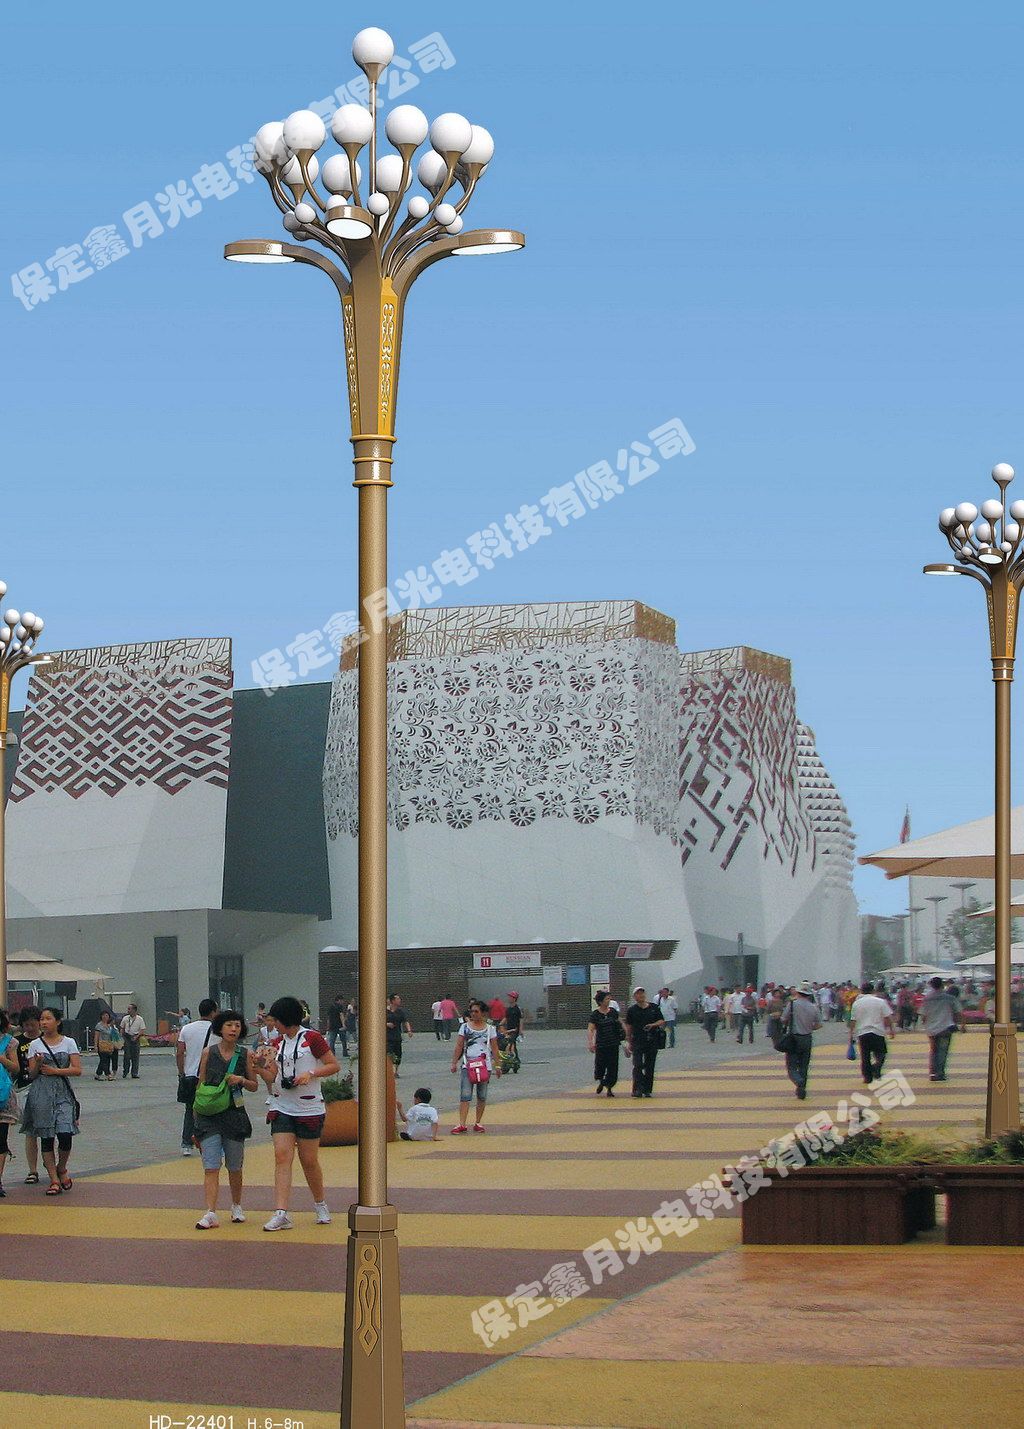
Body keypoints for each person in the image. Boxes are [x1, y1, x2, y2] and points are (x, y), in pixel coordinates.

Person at [257, 995, 339, 1231]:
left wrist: (310, 1074)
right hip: (281, 1105)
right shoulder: (276, 1044)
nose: (274, 1026)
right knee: (282, 1156)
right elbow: (272, 1076)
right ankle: (281, 1212)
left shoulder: (312, 1038)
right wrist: (260, 1068)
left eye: (276, 1021)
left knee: (309, 1160)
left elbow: (333, 1065)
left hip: (309, 1107)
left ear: (286, 1019)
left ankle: (320, 1203)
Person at [192, 1010, 260, 1229]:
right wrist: (195, 1117)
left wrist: (241, 1080)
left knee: (234, 1165)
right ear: (220, 1028)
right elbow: (200, 1084)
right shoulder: (208, 1052)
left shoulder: (245, 1054)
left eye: (237, 1026)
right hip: (208, 1116)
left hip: (234, 1115)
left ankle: (236, 1205)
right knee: (211, 1165)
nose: (233, 1029)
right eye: (229, 1025)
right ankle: (210, 1212)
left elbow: (254, 1085)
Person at [21, 1007, 82, 1195]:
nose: (44, 1022)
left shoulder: (69, 1042)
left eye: (48, 1019)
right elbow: (31, 1074)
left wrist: (56, 1071)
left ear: (58, 1022)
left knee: (65, 1133)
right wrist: (38, 1064)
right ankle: (54, 1179)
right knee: (46, 1136)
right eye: (42, 1019)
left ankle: (61, 1167)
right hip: (41, 1093)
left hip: (63, 1092)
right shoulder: (35, 1045)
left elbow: (77, 1069)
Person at [450, 999, 501, 1133]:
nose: (473, 1014)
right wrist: (454, 1062)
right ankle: (462, 1123)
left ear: (483, 1013)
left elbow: (495, 1048)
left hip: (485, 1065)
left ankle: (478, 1122)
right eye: (471, 1011)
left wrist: (498, 1065)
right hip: (468, 1065)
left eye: (476, 1011)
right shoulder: (465, 1027)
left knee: (482, 1095)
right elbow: (459, 1045)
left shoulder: (490, 1029)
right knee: (465, 1094)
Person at [176, 998, 219, 1156]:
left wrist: (181, 1072)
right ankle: (210, 1142)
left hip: (190, 1075)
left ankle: (186, 1144)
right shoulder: (217, 1030)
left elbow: (180, 1053)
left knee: (190, 1110)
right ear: (213, 1012)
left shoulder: (186, 1029)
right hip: (210, 1076)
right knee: (212, 1110)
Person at [780, 982, 821, 1100]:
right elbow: (818, 1024)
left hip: (794, 1038)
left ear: (798, 992)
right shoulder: (814, 1007)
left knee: (791, 1066)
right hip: (807, 1038)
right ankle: (802, 1090)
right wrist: (809, 1027)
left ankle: (798, 1080)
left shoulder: (792, 1004)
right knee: (804, 1065)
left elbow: (783, 1019)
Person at [850, 981, 896, 1085]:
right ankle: (876, 1068)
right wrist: (891, 1030)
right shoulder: (880, 1001)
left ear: (861, 991)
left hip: (862, 1032)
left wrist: (851, 1034)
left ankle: (867, 1077)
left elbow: (853, 1020)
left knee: (865, 1056)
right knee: (881, 1054)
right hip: (877, 1031)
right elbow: (887, 1017)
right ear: (873, 990)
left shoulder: (857, 1003)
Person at [15, 1007, 42, 1183]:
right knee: (30, 1131)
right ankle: (32, 1170)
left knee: (48, 1130)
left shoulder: (46, 1040)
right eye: (26, 1025)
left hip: (45, 1086)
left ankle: (51, 1165)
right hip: (25, 1088)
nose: (30, 1028)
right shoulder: (17, 1042)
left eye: (33, 1024)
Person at [625, 987, 666, 1098]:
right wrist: (628, 1041)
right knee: (637, 1065)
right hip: (637, 1040)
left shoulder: (654, 1007)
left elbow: (661, 1020)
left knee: (650, 1066)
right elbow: (629, 1026)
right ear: (634, 997)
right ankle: (637, 1089)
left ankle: (647, 1089)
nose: (641, 995)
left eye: (642, 993)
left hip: (652, 1040)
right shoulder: (632, 1010)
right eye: (638, 994)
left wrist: (653, 1025)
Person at [921, 976, 964, 1082]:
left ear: (931, 985)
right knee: (942, 1051)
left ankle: (932, 1073)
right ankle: (940, 1073)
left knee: (933, 1050)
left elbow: (923, 1015)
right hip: (946, 1027)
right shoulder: (950, 998)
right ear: (942, 985)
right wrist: (962, 1025)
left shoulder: (927, 999)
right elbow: (958, 1012)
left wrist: (925, 1025)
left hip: (931, 1029)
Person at [0, 1011, 21, 1195]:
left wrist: (1, 1057)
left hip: (3, 1098)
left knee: (0, 1139)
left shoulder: (9, 1042)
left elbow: (15, 1068)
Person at [588, 991, 625, 1095]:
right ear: (600, 1001)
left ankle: (609, 1087)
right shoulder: (595, 1014)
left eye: (609, 998)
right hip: (601, 1044)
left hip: (613, 1043)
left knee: (613, 1067)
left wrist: (625, 1037)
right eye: (607, 999)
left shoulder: (613, 1012)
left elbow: (621, 1024)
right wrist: (591, 1042)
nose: (609, 1001)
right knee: (600, 1065)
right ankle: (601, 1081)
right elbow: (590, 1029)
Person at [386, 994, 412, 1076]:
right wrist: (386, 1024)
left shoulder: (400, 1011)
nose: (399, 1000)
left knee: (398, 1054)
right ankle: (390, 1071)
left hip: (397, 1036)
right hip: (387, 1037)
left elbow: (406, 1021)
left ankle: (396, 1071)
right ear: (392, 1001)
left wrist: (409, 1030)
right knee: (389, 1054)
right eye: (398, 999)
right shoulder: (385, 1011)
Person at [93, 1008, 122, 1080]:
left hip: (110, 1045)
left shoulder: (110, 1025)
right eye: (103, 1015)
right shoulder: (99, 1025)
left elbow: (115, 1035)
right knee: (104, 1060)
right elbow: (96, 1036)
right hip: (102, 1044)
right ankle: (108, 1074)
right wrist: (95, 1045)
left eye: (106, 1015)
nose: (105, 1017)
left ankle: (98, 1074)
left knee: (104, 1060)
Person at [119, 1004, 146, 1079]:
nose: (128, 1010)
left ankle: (134, 1073)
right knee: (127, 1055)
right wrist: (121, 1036)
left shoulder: (140, 1019)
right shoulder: (125, 1018)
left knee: (135, 1056)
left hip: (136, 1037)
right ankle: (125, 1071)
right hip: (127, 1037)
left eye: (129, 1009)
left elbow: (142, 1029)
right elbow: (122, 1028)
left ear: (134, 1010)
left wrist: (137, 1036)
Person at [499, 991, 524, 1072]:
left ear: (514, 999)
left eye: (510, 997)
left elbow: (521, 1020)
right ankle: (515, 1059)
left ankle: (513, 1059)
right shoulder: (508, 1009)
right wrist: (500, 1024)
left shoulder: (517, 1009)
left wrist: (520, 1030)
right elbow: (506, 1018)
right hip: (508, 1030)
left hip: (515, 1030)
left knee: (510, 1043)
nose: (509, 998)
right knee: (510, 1044)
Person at [327, 994, 348, 1059]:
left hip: (332, 1026)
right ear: (339, 1000)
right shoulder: (339, 1006)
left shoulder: (330, 1006)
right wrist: (344, 1025)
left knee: (332, 1041)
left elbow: (328, 1017)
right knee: (343, 1040)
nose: (343, 1002)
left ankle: (332, 1055)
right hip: (339, 1026)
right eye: (342, 1000)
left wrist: (328, 1026)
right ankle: (345, 1053)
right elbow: (341, 1015)